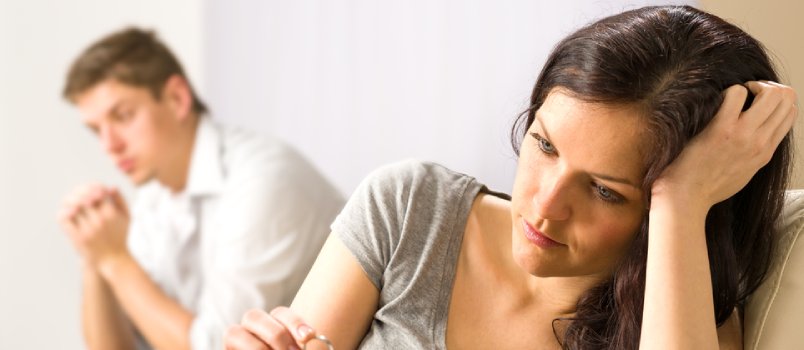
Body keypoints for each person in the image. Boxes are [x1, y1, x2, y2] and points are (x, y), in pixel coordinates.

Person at [224, 5, 799, 350]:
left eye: (604, 190)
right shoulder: (409, 210)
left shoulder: (684, 312)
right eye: (544, 145)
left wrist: (681, 198)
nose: (546, 206)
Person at [57, 28, 344, 350]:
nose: (109, 145)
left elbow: (215, 347)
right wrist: (95, 258)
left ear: (177, 99)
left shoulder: (262, 182)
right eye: (96, 130)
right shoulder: (154, 197)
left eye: (123, 116)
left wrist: (117, 259)